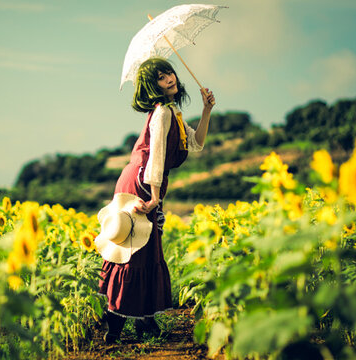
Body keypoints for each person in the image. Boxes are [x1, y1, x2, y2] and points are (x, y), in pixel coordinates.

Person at [97, 57, 214, 343]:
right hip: (142, 181)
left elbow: (196, 144)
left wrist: (207, 109)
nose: (169, 78)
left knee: (146, 250)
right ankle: (114, 329)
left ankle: (143, 323)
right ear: (153, 86)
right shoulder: (161, 112)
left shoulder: (172, 112)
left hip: (148, 181)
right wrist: (154, 198)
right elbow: (156, 158)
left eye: (169, 72)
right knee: (133, 252)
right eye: (161, 77)